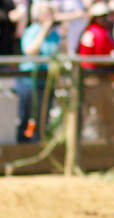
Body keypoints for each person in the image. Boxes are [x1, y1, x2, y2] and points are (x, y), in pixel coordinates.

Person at [15, 1, 61, 143]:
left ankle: (40, 143)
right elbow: (31, 52)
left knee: (43, 117)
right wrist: (43, 31)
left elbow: (60, 54)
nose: (48, 16)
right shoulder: (32, 31)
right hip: (29, 82)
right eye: (45, 13)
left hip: (46, 82)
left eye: (50, 13)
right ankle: (23, 145)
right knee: (28, 117)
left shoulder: (55, 35)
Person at [78, 2, 114, 143]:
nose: (106, 19)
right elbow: (100, 58)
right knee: (105, 115)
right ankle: (104, 143)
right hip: (96, 78)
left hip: (91, 77)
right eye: (103, 17)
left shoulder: (92, 31)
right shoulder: (97, 33)